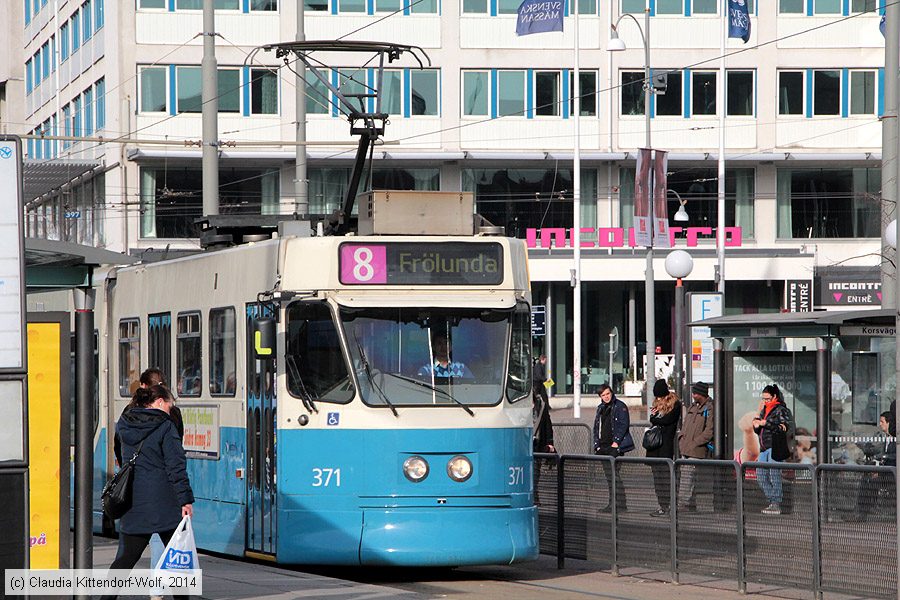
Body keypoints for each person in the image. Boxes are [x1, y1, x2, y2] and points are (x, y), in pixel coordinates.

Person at [103, 385, 194, 600]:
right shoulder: (165, 426)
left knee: (124, 560)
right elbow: (176, 465)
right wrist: (185, 499)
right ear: (160, 401)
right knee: (177, 561)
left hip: (133, 501)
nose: (171, 408)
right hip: (164, 502)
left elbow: (120, 455)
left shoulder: (124, 422)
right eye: (170, 403)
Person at [752, 384, 794, 515]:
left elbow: (784, 427)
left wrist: (766, 423)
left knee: (774, 475)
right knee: (760, 476)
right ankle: (772, 500)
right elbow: (758, 430)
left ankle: (776, 503)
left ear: (774, 396)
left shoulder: (781, 410)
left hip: (775, 446)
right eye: (763, 399)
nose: (765, 402)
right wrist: (756, 421)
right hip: (764, 448)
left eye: (767, 399)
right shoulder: (764, 410)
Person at [593, 383, 634, 512]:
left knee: (614, 476)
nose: (606, 397)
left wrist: (616, 442)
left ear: (611, 393)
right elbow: (596, 427)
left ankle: (619, 504)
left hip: (614, 446)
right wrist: (597, 445)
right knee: (610, 477)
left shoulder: (619, 406)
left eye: (608, 394)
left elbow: (623, 424)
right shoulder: (601, 408)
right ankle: (614, 503)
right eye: (603, 395)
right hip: (603, 446)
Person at [677, 381, 714, 512]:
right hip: (686, 448)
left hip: (697, 449)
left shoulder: (709, 408)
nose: (693, 395)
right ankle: (690, 503)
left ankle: (683, 503)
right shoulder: (692, 407)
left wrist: (694, 443)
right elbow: (685, 426)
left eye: (696, 393)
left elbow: (709, 431)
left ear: (702, 394)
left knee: (688, 475)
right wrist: (681, 439)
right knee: (687, 476)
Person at [647, 379, 682, 517]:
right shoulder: (656, 404)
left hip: (666, 444)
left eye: (660, 396)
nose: (658, 399)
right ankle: (662, 505)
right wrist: (654, 417)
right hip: (655, 446)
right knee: (657, 479)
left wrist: (655, 419)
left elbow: (668, 420)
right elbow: (653, 418)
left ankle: (670, 506)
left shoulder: (675, 404)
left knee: (666, 477)